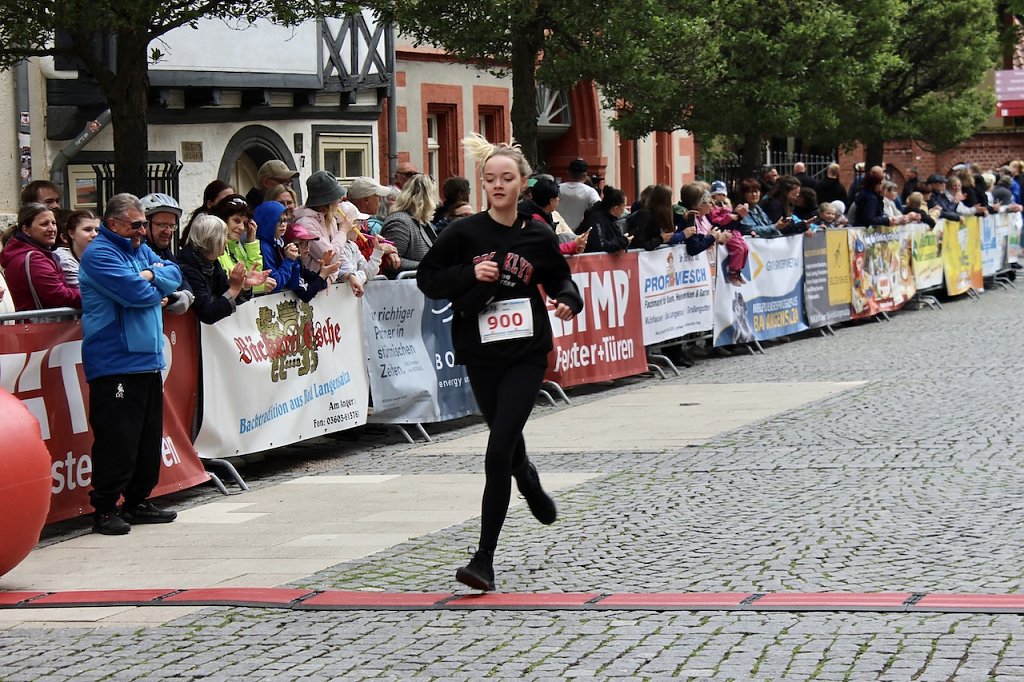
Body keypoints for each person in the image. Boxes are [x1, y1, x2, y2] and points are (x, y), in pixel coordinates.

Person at [416, 133, 583, 592]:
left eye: (506, 178)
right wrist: (469, 272)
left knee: (497, 450)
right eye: (490, 178)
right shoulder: (463, 234)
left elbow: (562, 281)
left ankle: (483, 560)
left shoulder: (538, 235)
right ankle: (527, 478)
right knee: (506, 441)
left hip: (527, 354)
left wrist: (568, 302)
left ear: (522, 183)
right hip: (480, 353)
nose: (497, 185)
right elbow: (428, 279)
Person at [78, 193, 183, 535]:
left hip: (147, 359)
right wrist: (154, 283)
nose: (142, 230)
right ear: (113, 223)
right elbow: (135, 294)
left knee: (147, 439)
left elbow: (174, 274)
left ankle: (137, 501)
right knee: (118, 439)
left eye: (143, 224)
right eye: (136, 224)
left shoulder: (139, 249)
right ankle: (105, 508)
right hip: (115, 361)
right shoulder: (99, 254)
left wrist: (149, 276)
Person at [177, 214, 270, 324]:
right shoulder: (188, 267)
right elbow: (207, 314)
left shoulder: (212, 263)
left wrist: (244, 286)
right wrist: (234, 289)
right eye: (224, 236)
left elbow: (226, 297)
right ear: (211, 240)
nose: (226, 241)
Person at [0, 203, 82, 311]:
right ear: (25, 230)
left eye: (53, 223)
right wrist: (94, 297)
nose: (52, 229)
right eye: (44, 224)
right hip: (38, 321)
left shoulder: (33, 253)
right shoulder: (33, 259)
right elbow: (58, 295)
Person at [254, 200, 337, 301]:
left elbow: (297, 281)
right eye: (278, 221)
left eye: (285, 221)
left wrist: (323, 272)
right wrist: (289, 260)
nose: (283, 224)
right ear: (268, 221)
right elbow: (276, 284)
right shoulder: (264, 247)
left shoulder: (279, 243)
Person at [293, 171, 358, 293]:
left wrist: (349, 275)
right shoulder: (305, 223)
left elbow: (339, 255)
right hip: (312, 287)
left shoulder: (330, 219)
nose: (340, 200)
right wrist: (343, 231)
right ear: (328, 201)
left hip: (325, 287)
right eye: (337, 197)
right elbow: (330, 256)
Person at [139, 193, 195, 314]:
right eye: (162, 225)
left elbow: (179, 275)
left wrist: (186, 292)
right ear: (145, 224)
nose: (168, 231)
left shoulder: (165, 250)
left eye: (172, 225)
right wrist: (173, 297)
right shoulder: (139, 250)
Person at [209, 194, 275, 293]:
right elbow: (223, 286)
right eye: (237, 221)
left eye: (244, 223)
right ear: (222, 219)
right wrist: (257, 287)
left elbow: (253, 275)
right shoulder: (213, 247)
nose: (242, 228)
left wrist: (251, 241)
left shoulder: (235, 246)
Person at [381, 173, 438, 277]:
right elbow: (391, 262)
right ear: (426, 197)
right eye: (433, 194)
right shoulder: (399, 221)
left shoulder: (421, 220)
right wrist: (428, 266)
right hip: (405, 284)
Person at [55, 209, 100, 288]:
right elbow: (85, 291)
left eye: (97, 230)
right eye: (87, 229)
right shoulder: (65, 259)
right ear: (71, 233)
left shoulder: (97, 256)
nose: (94, 234)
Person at [577, 186, 630, 253]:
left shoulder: (611, 219)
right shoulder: (597, 218)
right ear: (616, 208)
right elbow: (600, 245)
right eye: (624, 206)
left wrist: (621, 245)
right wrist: (622, 241)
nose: (624, 210)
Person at [557, 158, 601, 231]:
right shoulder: (590, 192)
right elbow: (599, 208)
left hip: (559, 232)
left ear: (568, 173)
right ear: (585, 175)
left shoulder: (557, 188)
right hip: (581, 234)